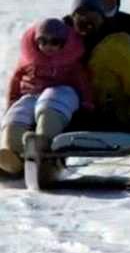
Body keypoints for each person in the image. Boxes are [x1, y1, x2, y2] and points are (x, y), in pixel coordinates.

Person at [1, 18, 92, 177]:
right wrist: (12, 102)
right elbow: (16, 80)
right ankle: (11, 154)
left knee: (51, 102)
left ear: (63, 43)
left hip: (62, 91)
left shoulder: (71, 62)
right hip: (33, 93)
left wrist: (87, 103)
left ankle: (43, 142)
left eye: (54, 42)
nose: (48, 46)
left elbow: (82, 82)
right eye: (43, 41)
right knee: (20, 111)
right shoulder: (29, 60)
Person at [69, 0, 130, 133]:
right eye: (80, 15)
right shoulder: (65, 47)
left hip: (122, 118)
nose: (85, 21)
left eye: (92, 15)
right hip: (80, 114)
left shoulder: (119, 46)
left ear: (102, 18)